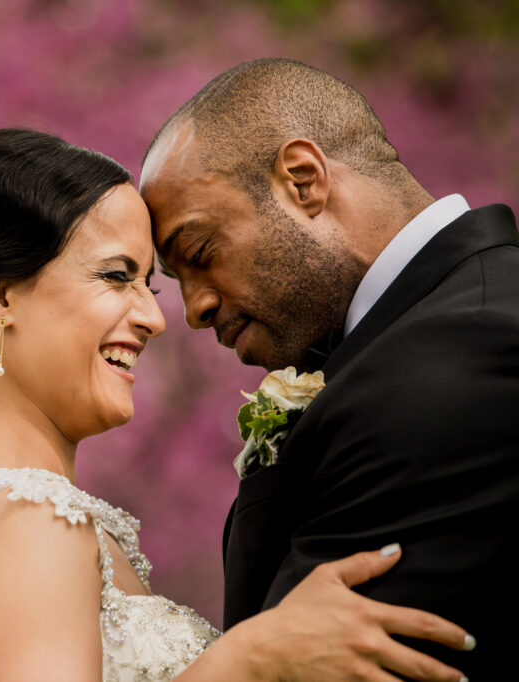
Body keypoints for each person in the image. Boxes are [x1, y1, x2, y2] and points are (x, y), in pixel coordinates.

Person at [0, 128, 473, 681]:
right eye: (116, 276)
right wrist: (248, 658)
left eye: (149, 284)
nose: (154, 318)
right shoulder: (20, 517)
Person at [140, 58, 519, 680]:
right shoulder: (411, 341)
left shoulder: (458, 357)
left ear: (303, 179)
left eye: (201, 253)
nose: (194, 311)